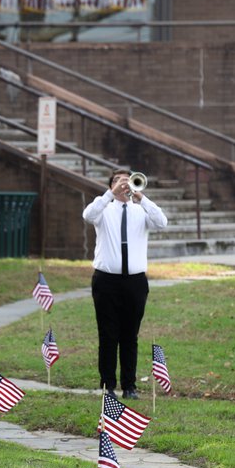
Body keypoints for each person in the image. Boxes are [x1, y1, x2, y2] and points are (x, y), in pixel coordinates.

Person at [83, 169, 167, 399]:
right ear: (111, 185)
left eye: (127, 181)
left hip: (135, 281)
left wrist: (141, 197)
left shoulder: (141, 211)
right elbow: (88, 215)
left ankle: (129, 386)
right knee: (107, 334)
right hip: (106, 280)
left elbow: (162, 222)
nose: (124, 185)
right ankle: (107, 385)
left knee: (130, 335)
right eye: (118, 181)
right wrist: (110, 194)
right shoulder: (103, 209)